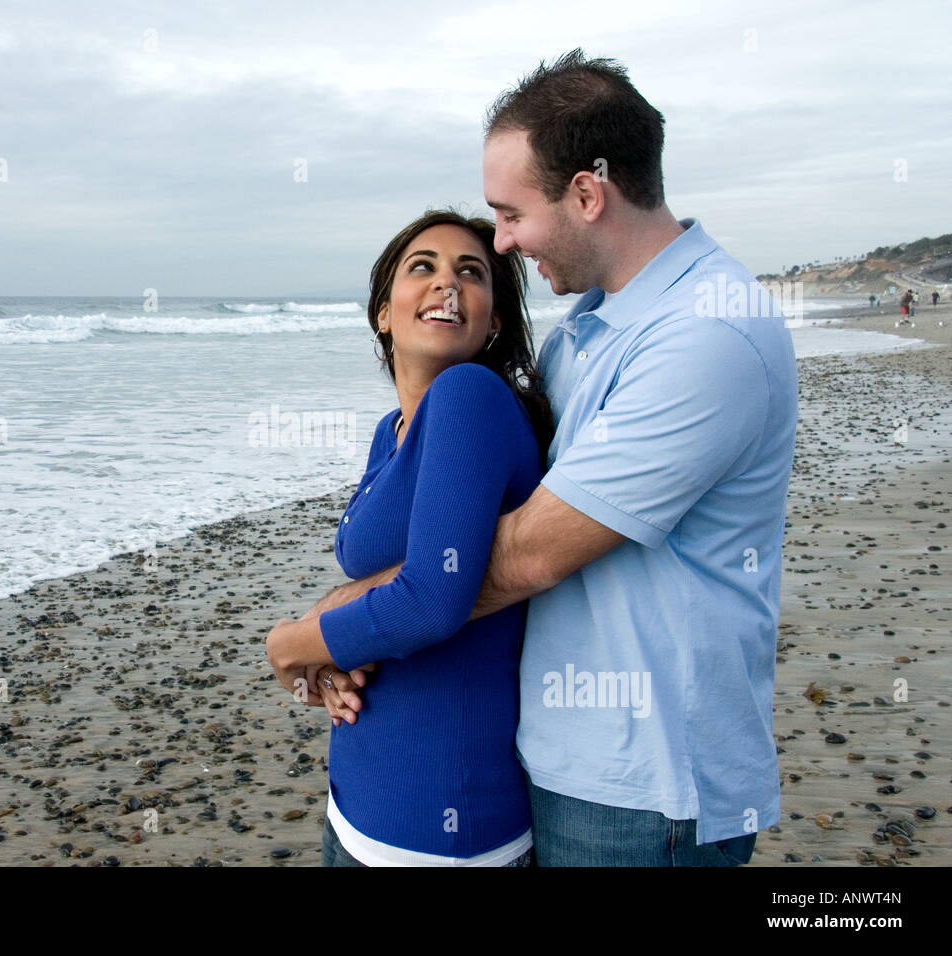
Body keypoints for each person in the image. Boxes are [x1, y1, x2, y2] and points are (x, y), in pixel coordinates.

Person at [304, 50, 798, 867]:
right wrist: (345, 618)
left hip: (646, 789)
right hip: (559, 757)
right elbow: (461, 527)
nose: (501, 241)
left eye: (509, 215)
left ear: (587, 194)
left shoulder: (707, 335)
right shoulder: (586, 335)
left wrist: (320, 634)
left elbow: (520, 556)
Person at [265, 209, 552, 866]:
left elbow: (431, 599)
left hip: (439, 831)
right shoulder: (391, 431)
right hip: (360, 811)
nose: (446, 284)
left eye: (471, 273)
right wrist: (335, 649)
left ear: (494, 320)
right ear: (383, 313)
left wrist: (294, 644)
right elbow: (394, 576)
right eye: (422, 267)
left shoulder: (470, 394)